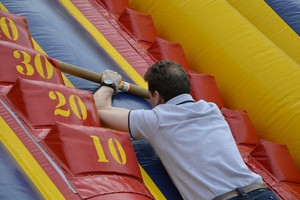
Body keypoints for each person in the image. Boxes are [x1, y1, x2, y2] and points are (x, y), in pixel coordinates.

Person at [94, 60, 279, 200]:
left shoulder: (156, 120)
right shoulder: (212, 110)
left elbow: (99, 110)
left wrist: (109, 84)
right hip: (262, 193)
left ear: (156, 96)